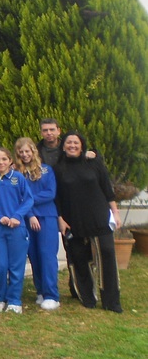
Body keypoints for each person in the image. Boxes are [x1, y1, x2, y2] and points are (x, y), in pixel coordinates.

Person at [54, 132, 122, 313]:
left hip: (99, 217)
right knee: (79, 258)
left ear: (82, 145)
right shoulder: (58, 169)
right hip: (73, 220)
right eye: (69, 142)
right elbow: (56, 197)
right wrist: (60, 219)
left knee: (107, 253)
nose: (72, 145)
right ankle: (87, 296)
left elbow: (107, 189)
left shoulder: (94, 163)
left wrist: (115, 213)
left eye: (76, 143)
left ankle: (111, 300)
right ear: (63, 146)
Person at [0, 148, 33, 314]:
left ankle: (14, 300)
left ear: (10, 161)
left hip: (16, 227)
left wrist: (17, 216)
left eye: (4, 159)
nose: (1, 162)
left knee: (16, 266)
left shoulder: (18, 178)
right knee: (0, 266)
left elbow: (28, 199)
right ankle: (0, 298)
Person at [14, 137, 60, 311]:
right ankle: (40, 290)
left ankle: (52, 295)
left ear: (33, 151)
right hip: (27, 218)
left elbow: (50, 193)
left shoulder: (46, 170)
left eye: (27, 151)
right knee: (33, 255)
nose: (25, 155)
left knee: (47, 254)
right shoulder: (16, 173)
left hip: (47, 216)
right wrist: (30, 213)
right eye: (21, 152)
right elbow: (18, 197)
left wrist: (29, 200)